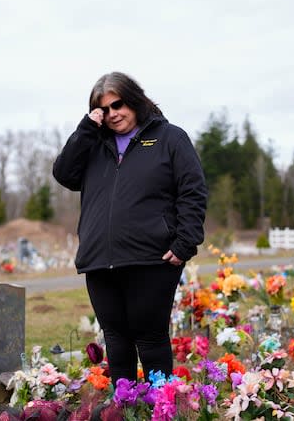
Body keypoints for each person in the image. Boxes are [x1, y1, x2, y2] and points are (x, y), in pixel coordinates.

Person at [53, 71, 207, 382]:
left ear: (134, 100)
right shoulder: (93, 143)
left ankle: (159, 407)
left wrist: (184, 243)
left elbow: (193, 191)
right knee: (116, 339)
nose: (112, 114)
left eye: (118, 104)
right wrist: (86, 127)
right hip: (100, 259)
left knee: (149, 337)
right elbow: (64, 173)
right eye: (104, 109)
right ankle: (124, 406)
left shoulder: (170, 138)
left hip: (153, 258)